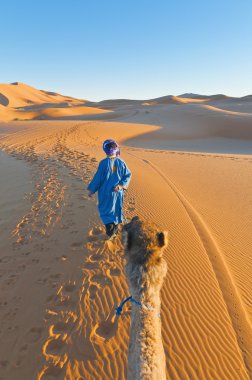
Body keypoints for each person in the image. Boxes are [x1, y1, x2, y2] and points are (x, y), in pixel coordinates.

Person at [87, 139, 132, 240]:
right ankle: (114, 231)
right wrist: (121, 186)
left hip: (106, 193)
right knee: (116, 212)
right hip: (117, 193)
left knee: (107, 213)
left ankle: (111, 234)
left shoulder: (103, 163)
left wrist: (92, 190)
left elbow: (98, 178)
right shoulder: (121, 162)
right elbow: (128, 175)